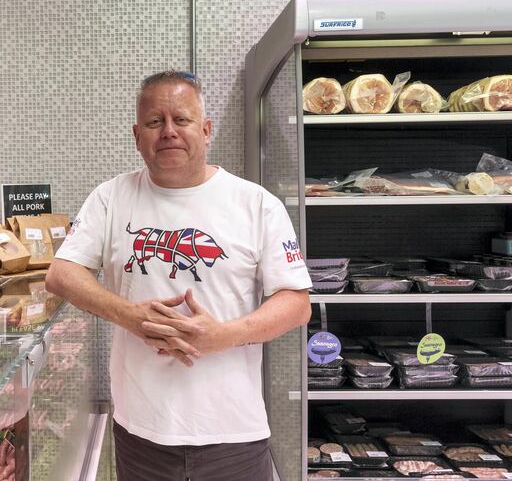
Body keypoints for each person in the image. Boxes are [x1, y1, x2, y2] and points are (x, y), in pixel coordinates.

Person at [45, 70, 312, 481]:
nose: (169, 132)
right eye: (155, 122)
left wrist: (225, 335)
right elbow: (61, 274)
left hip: (233, 432)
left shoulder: (256, 204)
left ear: (206, 130)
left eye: (182, 120)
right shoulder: (110, 197)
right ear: (138, 135)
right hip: (140, 431)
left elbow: (296, 304)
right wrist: (129, 315)